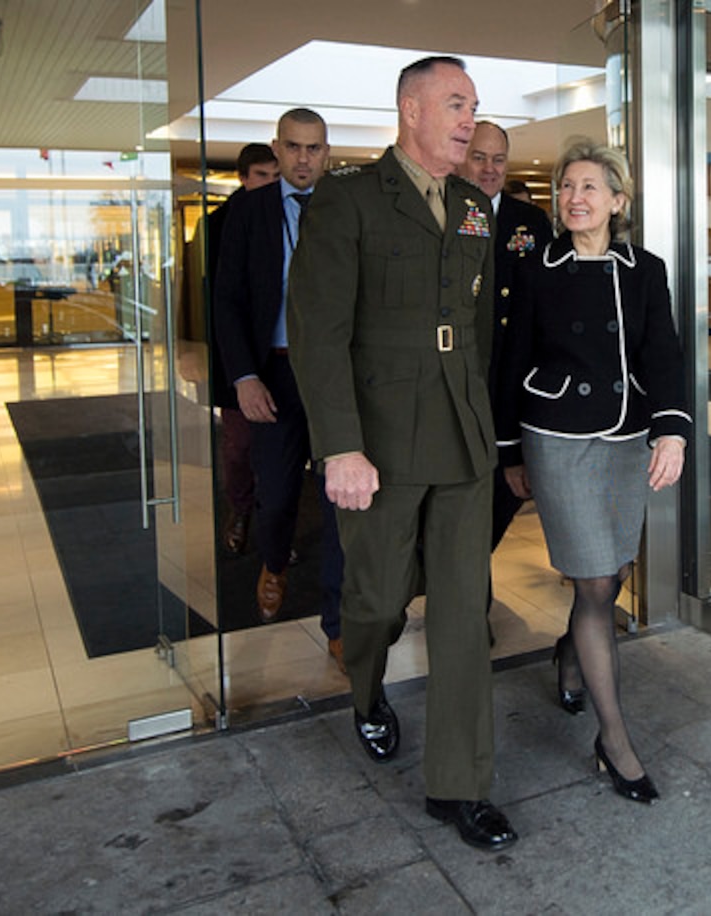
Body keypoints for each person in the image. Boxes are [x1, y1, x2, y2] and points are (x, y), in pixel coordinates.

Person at [287, 56, 517, 851]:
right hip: (379, 443)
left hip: (462, 435)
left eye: (475, 106)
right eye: (456, 104)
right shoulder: (349, 200)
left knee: (462, 615)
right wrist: (340, 446)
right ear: (410, 110)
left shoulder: (474, 208)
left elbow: (481, 330)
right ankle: (365, 689)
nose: (470, 119)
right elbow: (319, 333)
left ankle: (460, 786)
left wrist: (494, 428)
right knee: (378, 602)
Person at [496, 139, 691, 805]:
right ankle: (615, 741)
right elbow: (509, 359)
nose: (573, 198)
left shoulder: (644, 269)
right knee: (596, 579)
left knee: (613, 575)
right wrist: (509, 451)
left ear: (618, 201)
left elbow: (662, 352)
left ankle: (568, 652)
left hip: (627, 437)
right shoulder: (536, 268)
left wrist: (672, 429)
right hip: (558, 438)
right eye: (565, 188)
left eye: (588, 187)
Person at [213, 110, 345, 670]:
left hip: (335, 373)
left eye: (313, 149)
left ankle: (338, 622)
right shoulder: (247, 211)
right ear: (277, 147)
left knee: (341, 496)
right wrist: (243, 377)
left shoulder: (345, 207)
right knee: (278, 493)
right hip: (274, 372)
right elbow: (227, 300)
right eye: (292, 147)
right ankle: (273, 563)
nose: (302, 159)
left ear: (326, 152)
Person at [459, 120, 554, 557]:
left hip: (516, 378)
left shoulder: (531, 222)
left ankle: (468, 579)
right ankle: (465, 591)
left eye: (498, 159)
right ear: (462, 155)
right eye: (479, 157)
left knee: (508, 491)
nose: (490, 168)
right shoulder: (443, 210)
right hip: (460, 377)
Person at [208, 143, 280, 556]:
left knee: (276, 453)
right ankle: (239, 510)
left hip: (281, 358)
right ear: (243, 178)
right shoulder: (219, 225)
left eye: (275, 176)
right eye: (261, 176)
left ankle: (275, 529)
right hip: (236, 358)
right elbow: (215, 299)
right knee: (238, 446)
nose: (269, 184)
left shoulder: (294, 217)